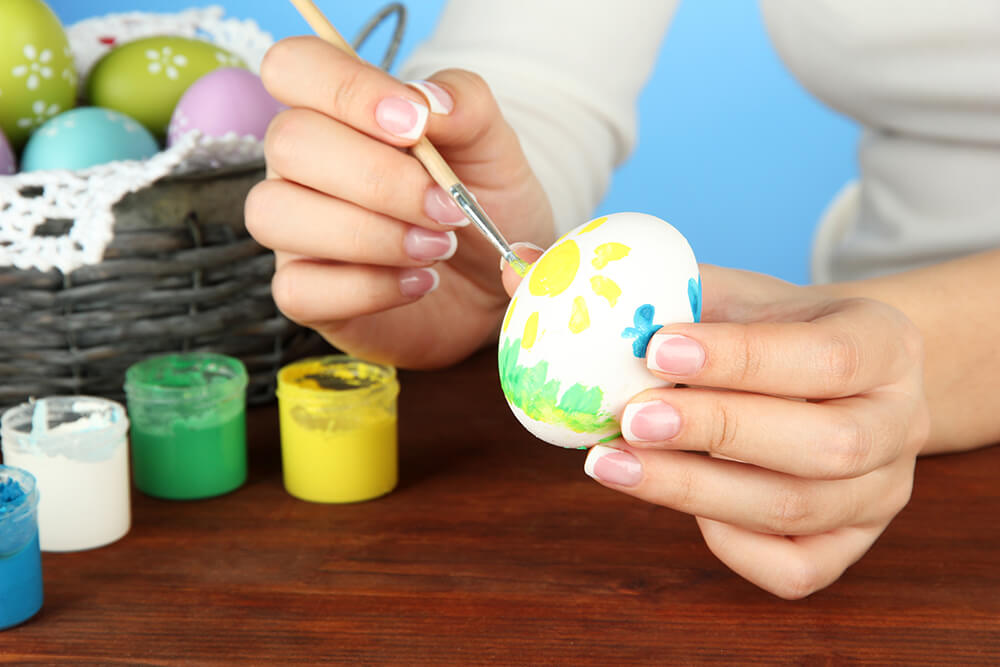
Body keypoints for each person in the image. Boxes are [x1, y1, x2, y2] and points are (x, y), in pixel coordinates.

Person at [244, 0, 1000, 599]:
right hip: (837, 389)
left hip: (862, 405)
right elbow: (541, 64)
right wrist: (456, 221)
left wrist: (909, 354)